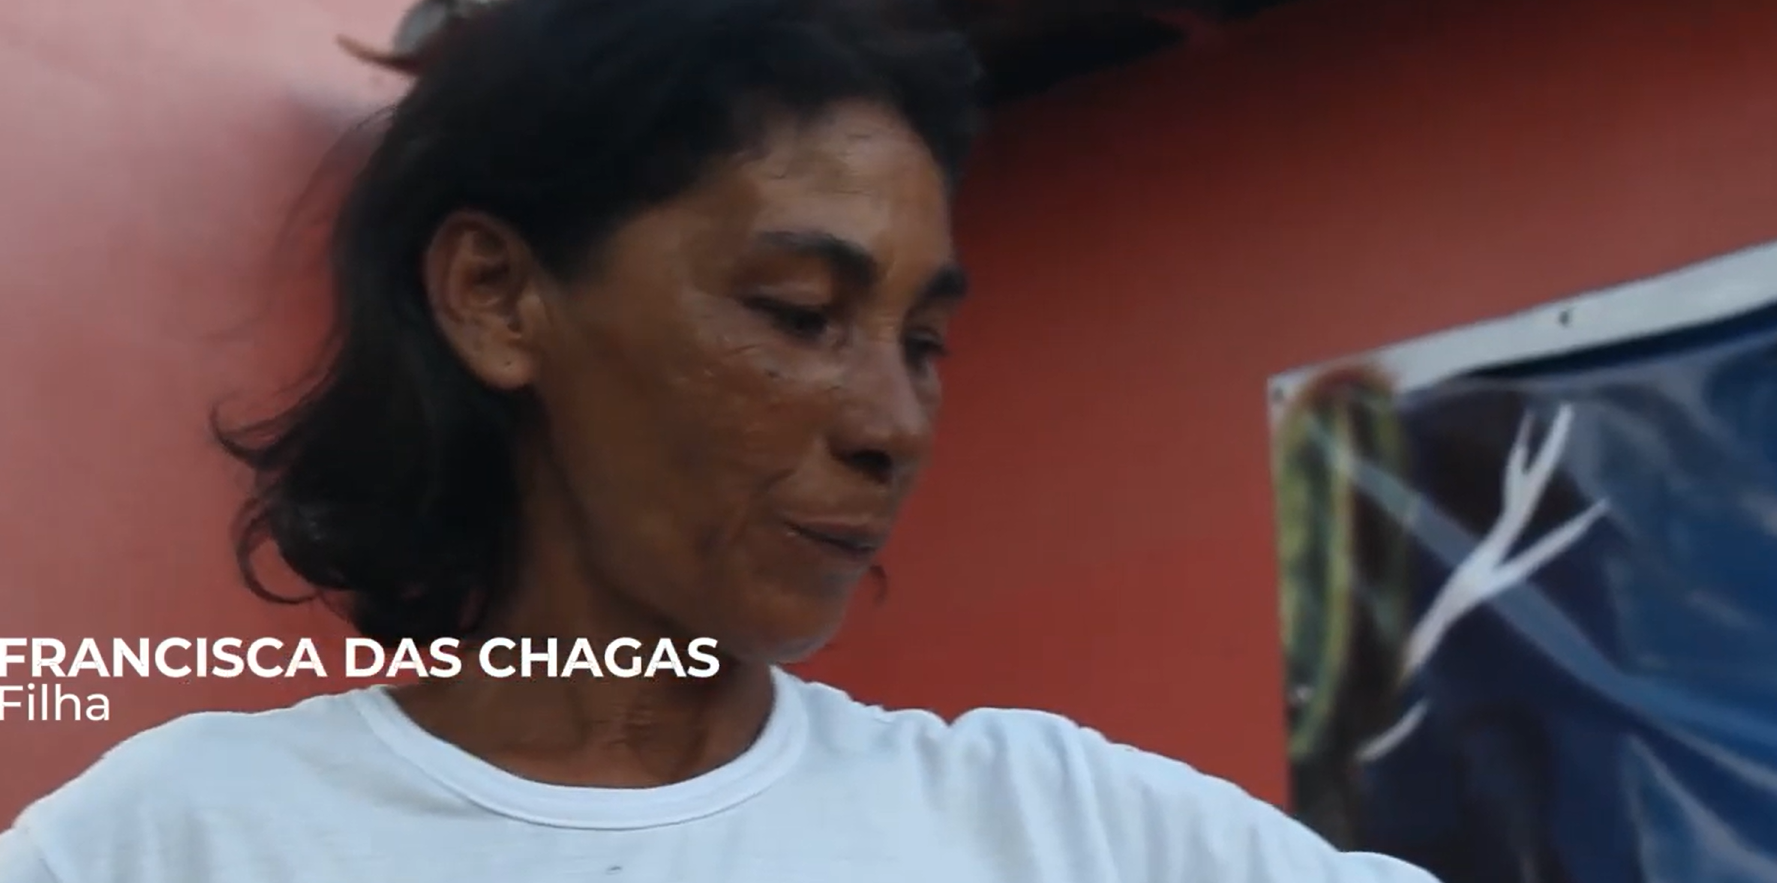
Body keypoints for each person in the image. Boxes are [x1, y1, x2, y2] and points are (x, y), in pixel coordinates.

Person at [0, 0, 1440, 880]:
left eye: (922, 340)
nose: (892, 424)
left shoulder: (1062, 832)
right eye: (799, 312)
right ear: (497, 297)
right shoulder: (174, 845)